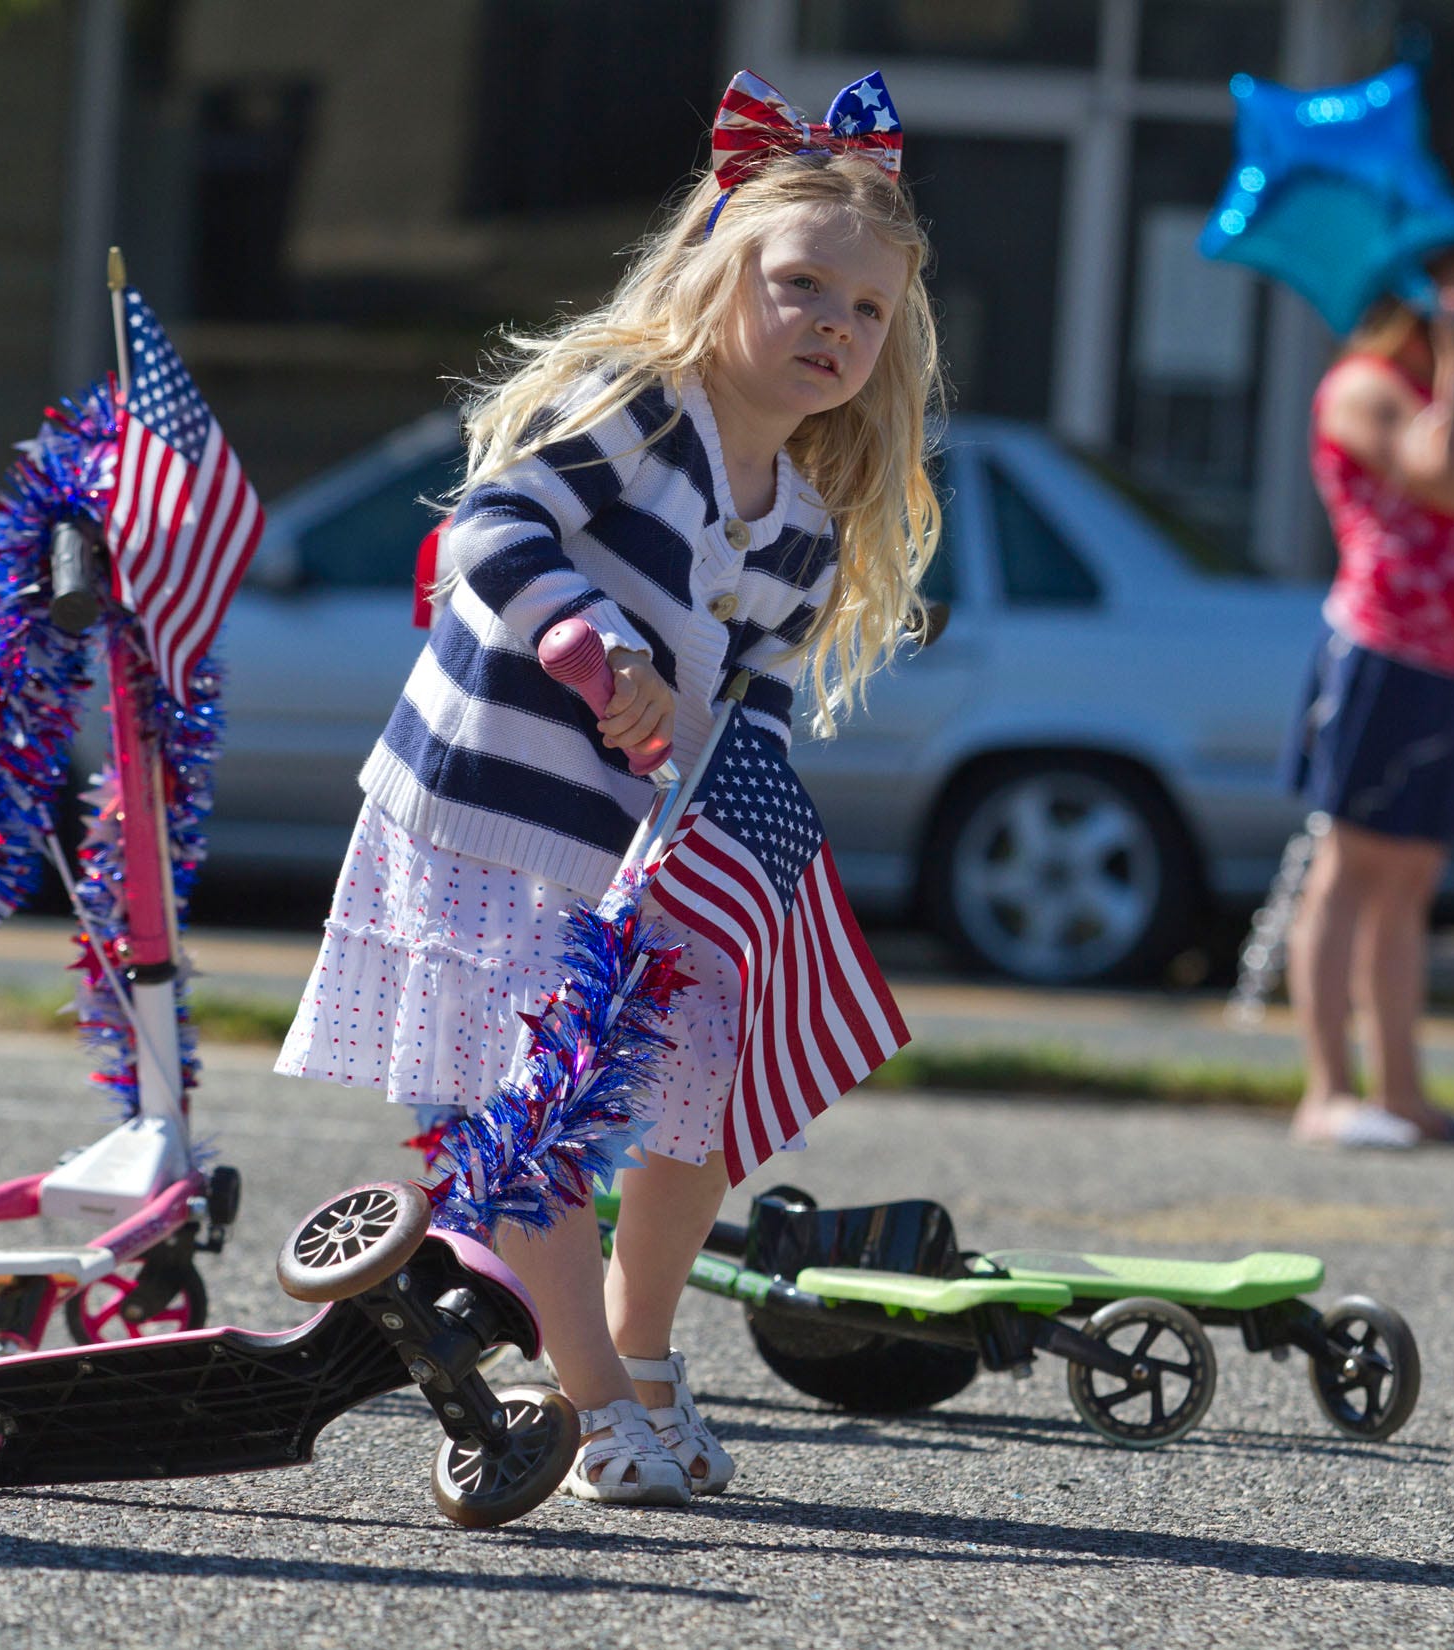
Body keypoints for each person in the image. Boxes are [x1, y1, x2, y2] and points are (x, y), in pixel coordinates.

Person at [275, 71, 940, 1505]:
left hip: (634, 852)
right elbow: (493, 528)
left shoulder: (801, 527)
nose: (834, 326)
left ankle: (639, 1352)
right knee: (536, 1115)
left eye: (866, 311)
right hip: (489, 817)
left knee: (702, 1084)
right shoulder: (639, 407)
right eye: (802, 286)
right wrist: (594, 642)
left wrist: (735, 804)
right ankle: (583, 1403)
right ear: (718, 273)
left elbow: (752, 692)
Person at [1285, 242, 1454, 1149]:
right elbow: (1446, 481)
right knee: (1351, 870)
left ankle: (1403, 1092)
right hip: (1385, 658)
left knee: (1411, 882)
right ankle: (1328, 1094)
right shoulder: (1362, 387)